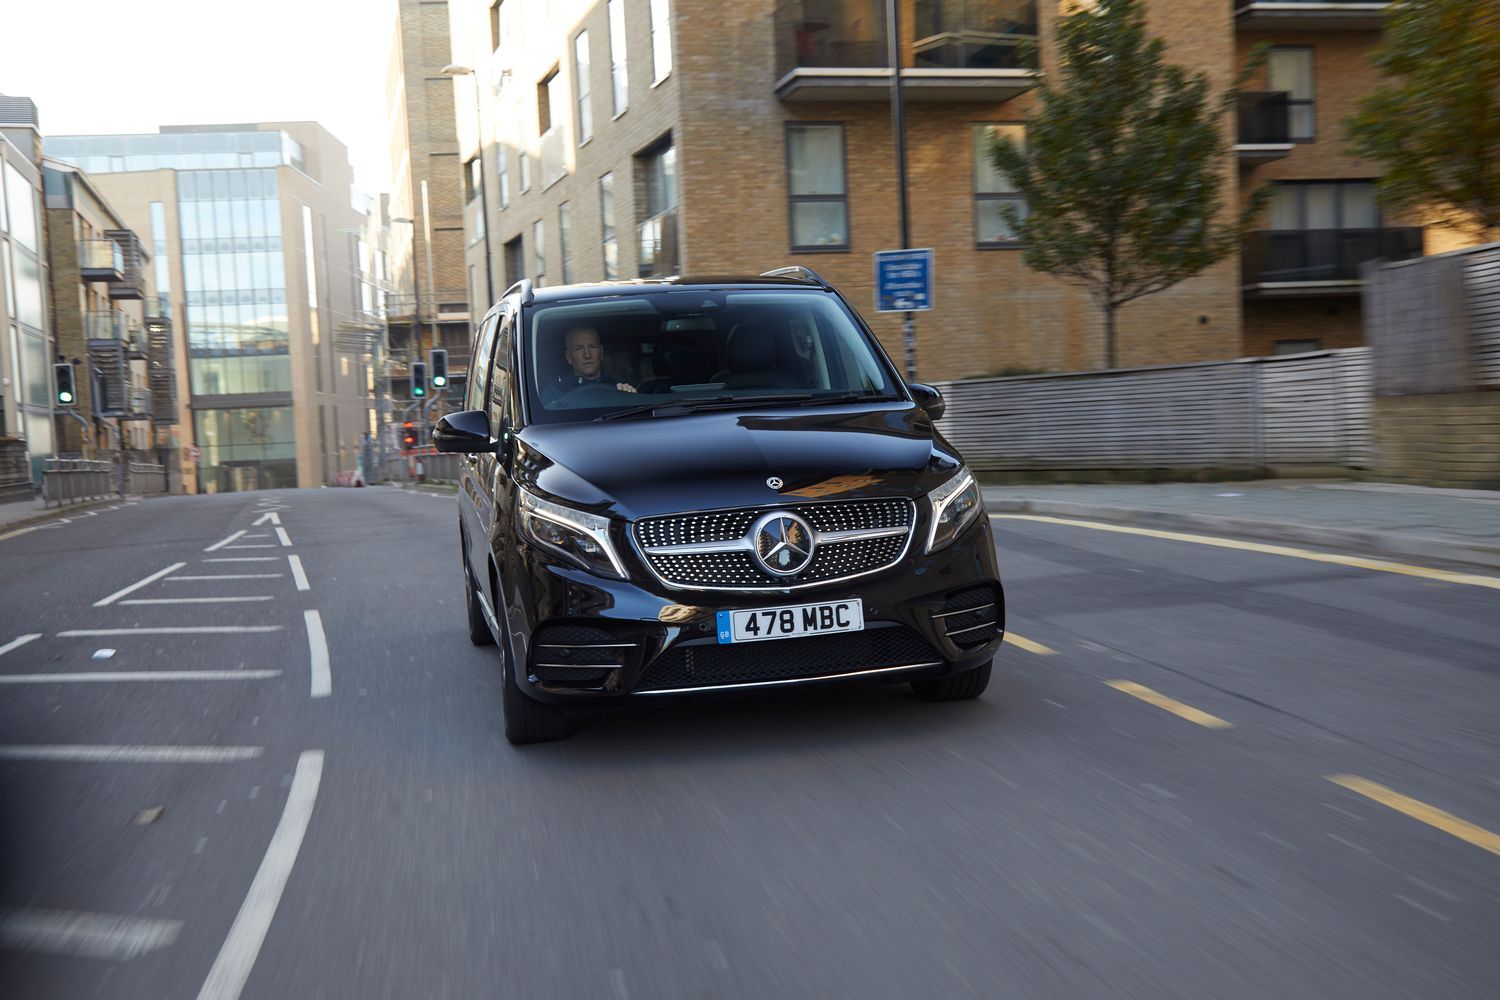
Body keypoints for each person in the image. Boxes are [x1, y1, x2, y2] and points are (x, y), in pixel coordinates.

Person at [543, 325, 637, 403]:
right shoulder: (555, 394)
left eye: (592, 347)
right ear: (569, 357)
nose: (587, 355)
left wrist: (631, 398)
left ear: (601, 352)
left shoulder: (619, 389)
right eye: (579, 349)